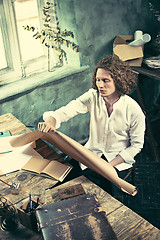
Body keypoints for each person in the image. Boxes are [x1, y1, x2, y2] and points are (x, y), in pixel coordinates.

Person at [38, 55, 145, 194]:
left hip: (117, 161)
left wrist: (107, 166)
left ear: (119, 81)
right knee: (60, 182)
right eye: (98, 80)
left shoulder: (134, 110)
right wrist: (51, 120)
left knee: (99, 195)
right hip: (91, 154)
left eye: (105, 81)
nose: (100, 85)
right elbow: (69, 109)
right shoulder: (93, 96)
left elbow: (136, 146)